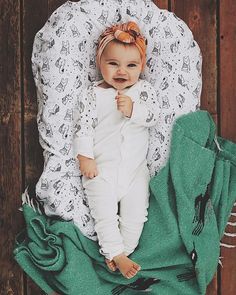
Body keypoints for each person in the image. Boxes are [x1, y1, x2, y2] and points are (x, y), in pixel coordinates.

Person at [73, 21, 159, 279]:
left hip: (135, 172)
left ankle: (121, 251)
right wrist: (85, 156)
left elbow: (154, 115)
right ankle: (115, 252)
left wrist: (134, 110)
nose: (122, 71)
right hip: (101, 170)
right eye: (113, 64)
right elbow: (83, 127)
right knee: (104, 212)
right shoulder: (93, 94)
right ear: (100, 63)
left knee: (137, 215)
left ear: (141, 67)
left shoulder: (143, 92)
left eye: (131, 65)